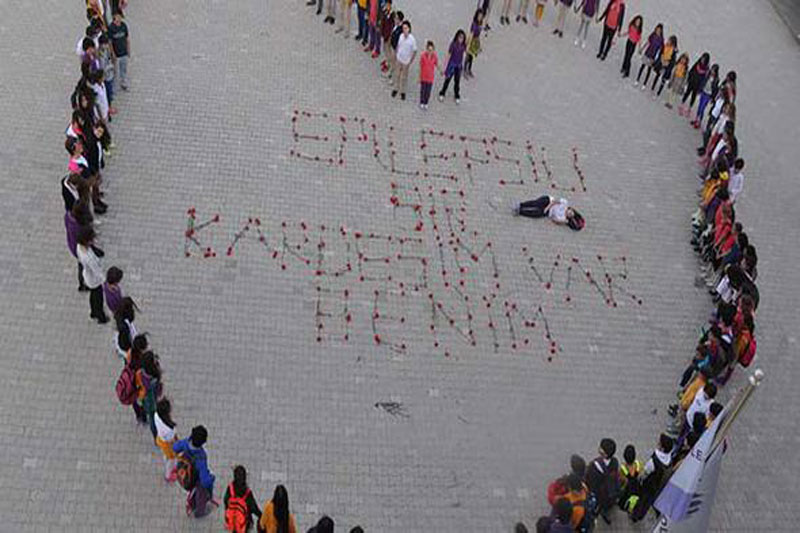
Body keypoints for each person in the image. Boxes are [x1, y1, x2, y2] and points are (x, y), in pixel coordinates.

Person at [174, 425, 217, 517]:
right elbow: (205, 481)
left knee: (194, 492)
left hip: (183, 474)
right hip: (194, 479)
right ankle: (199, 513)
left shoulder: (185, 442)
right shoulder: (201, 457)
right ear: (203, 442)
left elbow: (175, 447)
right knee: (201, 494)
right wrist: (212, 478)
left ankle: (192, 504)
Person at [630, 434, 673, 522]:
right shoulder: (669, 459)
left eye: (659, 443)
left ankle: (635, 515)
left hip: (648, 485)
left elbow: (645, 472)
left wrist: (640, 479)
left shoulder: (654, 461)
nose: (658, 443)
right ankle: (641, 515)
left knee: (642, 500)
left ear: (662, 448)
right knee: (647, 502)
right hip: (657, 486)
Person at [76, 226, 108, 323]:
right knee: (98, 299)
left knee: (93, 296)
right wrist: (105, 281)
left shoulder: (79, 246)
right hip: (94, 280)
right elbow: (97, 271)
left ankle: (93, 312)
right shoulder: (89, 258)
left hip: (87, 276)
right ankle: (100, 317)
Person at [585, 438, 618, 524]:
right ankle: (605, 512)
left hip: (599, 493)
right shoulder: (615, 462)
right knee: (606, 504)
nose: (599, 448)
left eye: (601, 447)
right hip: (609, 492)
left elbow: (589, 481)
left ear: (605, 454)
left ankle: (596, 513)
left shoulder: (594, 466)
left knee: (598, 505)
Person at [512, 195, 586, 230]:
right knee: (536, 203)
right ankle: (521, 204)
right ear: (572, 209)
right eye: (571, 212)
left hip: (548, 213)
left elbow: (554, 220)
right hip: (548, 201)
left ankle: (520, 212)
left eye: (570, 215)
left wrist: (564, 222)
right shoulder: (565, 203)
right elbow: (555, 201)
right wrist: (547, 207)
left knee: (536, 214)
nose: (569, 213)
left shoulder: (562, 218)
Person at [224, 465, 262, 532]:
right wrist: (261, 515)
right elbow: (253, 508)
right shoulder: (247, 493)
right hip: (244, 521)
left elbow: (225, 500)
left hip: (232, 519)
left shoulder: (230, 488)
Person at [438, 30, 467, 104]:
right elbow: (448, 55)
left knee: (457, 81)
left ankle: (457, 94)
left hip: (459, 66)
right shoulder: (453, 45)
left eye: (462, 38)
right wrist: (444, 66)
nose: (461, 39)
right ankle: (442, 92)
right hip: (452, 65)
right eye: (459, 37)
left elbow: (464, 54)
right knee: (447, 80)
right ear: (457, 37)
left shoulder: (464, 45)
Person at [154, 398, 179, 482]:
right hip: (167, 444)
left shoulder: (156, 415)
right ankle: (168, 475)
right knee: (171, 458)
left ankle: (168, 460)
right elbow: (172, 439)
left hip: (159, 439)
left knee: (167, 455)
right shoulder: (169, 428)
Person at [391, 21, 417, 101]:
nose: (404, 30)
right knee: (397, 74)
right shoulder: (401, 36)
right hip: (399, 59)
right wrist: (396, 54)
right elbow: (398, 46)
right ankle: (396, 88)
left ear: (409, 29)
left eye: (406, 28)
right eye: (403, 28)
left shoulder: (412, 40)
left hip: (406, 61)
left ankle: (403, 91)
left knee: (404, 77)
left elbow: (415, 51)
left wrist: (410, 61)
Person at [679, 52, 710, 118]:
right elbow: (691, 70)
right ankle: (682, 104)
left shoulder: (706, 69)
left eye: (704, 59)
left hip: (697, 85)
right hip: (692, 82)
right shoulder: (697, 63)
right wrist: (689, 79)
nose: (702, 60)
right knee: (687, 93)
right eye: (702, 58)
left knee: (693, 96)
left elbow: (704, 80)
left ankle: (689, 109)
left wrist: (700, 88)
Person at [634, 23, 662, 88]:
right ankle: (637, 79)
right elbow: (647, 43)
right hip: (647, 53)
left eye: (659, 30)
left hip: (653, 56)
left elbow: (659, 50)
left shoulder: (661, 40)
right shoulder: (652, 35)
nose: (658, 31)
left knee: (649, 70)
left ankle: (644, 83)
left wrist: (656, 58)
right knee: (642, 66)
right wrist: (642, 48)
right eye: (657, 29)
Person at [692, 63, 719, 129]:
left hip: (708, 94)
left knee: (702, 108)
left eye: (714, 70)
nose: (712, 71)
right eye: (712, 69)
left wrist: (712, 97)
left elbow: (715, 89)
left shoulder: (716, 79)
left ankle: (699, 121)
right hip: (703, 92)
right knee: (699, 106)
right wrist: (700, 90)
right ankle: (696, 119)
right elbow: (703, 82)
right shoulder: (708, 75)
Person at [108, 11, 130, 91]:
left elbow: (127, 38)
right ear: (114, 17)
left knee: (123, 69)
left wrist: (128, 50)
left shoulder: (124, 25)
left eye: (120, 17)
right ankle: (114, 87)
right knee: (115, 71)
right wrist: (112, 53)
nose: (119, 18)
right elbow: (110, 42)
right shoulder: (111, 28)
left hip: (123, 52)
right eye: (118, 17)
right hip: (116, 54)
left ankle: (123, 83)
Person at [617, 444, 642, 509]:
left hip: (627, 491)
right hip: (637, 490)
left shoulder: (622, 468)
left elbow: (620, 481)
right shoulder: (638, 465)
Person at [419, 41, 440, 110]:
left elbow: (437, 64)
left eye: (431, 50)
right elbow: (421, 67)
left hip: (430, 78)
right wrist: (419, 77)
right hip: (423, 77)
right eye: (429, 50)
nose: (430, 51)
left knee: (428, 92)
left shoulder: (434, 57)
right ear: (427, 49)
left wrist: (441, 70)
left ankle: (426, 102)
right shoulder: (423, 56)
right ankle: (422, 101)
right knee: (423, 91)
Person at [464, 9, 484, 78]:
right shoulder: (474, 24)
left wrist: (479, 45)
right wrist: (468, 45)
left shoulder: (480, 23)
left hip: (476, 41)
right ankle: (464, 70)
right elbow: (471, 34)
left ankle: (469, 69)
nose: (480, 17)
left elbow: (479, 34)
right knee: (468, 56)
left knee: (471, 57)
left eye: (481, 16)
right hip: (472, 41)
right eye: (479, 16)